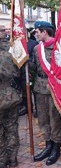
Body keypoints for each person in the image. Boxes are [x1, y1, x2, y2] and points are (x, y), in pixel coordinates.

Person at [31, 21, 61, 165]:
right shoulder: (36, 48)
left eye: (37, 31)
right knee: (43, 118)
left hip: (54, 87)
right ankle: (48, 145)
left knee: (55, 118)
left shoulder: (58, 47)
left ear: (45, 32)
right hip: (40, 87)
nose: (35, 34)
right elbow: (35, 66)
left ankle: (56, 147)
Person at [0, 25, 22, 168]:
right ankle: (12, 159)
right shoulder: (12, 50)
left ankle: (2, 160)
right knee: (12, 128)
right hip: (12, 95)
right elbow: (18, 72)